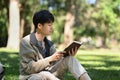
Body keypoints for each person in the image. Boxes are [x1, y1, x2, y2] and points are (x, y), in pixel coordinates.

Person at [19, 10, 91, 80]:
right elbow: (28, 69)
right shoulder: (26, 42)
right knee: (38, 77)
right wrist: (50, 58)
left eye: (52, 25)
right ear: (39, 26)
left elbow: (55, 64)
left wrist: (67, 55)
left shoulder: (49, 44)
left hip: (49, 73)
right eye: (49, 25)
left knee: (70, 59)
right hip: (31, 76)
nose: (51, 28)